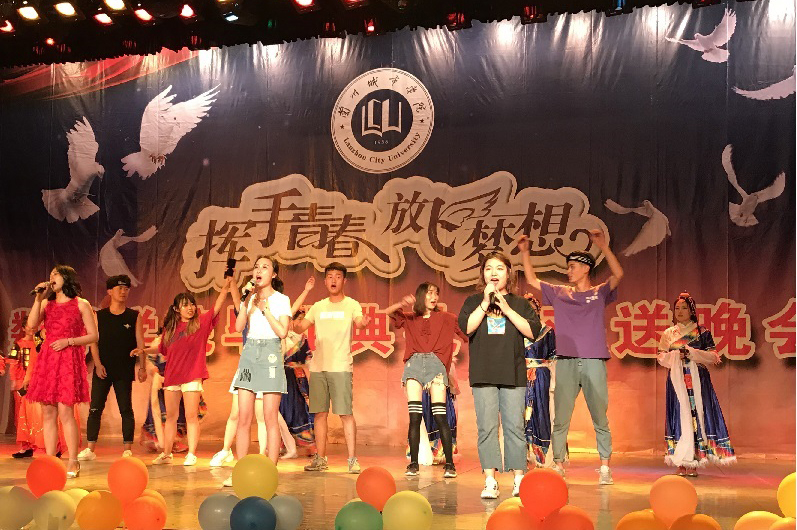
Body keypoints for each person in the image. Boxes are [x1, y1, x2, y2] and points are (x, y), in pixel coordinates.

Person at [518, 231, 623, 485]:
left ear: (586, 268)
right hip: (565, 361)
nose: (568, 271)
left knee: (600, 417)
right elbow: (531, 279)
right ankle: (558, 464)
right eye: (568, 267)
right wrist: (525, 252)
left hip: (594, 360)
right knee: (561, 417)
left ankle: (605, 467)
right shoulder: (560, 293)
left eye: (573, 267)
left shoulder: (599, 293)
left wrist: (604, 247)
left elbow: (618, 274)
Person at [458, 252, 540, 499]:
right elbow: (467, 327)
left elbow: (532, 331)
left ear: (509, 273)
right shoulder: (474, 301)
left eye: (499, 268)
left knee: (515, 427)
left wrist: (506, 307)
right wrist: (486, 303)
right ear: (483, 274)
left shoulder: (520, 303)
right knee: (487, 428)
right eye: (488, 268)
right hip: (483, 373)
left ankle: (519, 479)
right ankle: (490, 480)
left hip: (512, 373)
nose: (493, 273)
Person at [132, 278, 232, 466]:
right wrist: (143, 350)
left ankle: (192, 454)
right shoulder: (170, 329)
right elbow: (161, 348)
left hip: (192, 375)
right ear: (177, 309)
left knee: (191, 416)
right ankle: (167, 453)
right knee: (170, 417)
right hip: (172, 377)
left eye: (192, 304)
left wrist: (225, 288)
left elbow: (216, 308)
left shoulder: (201, 323)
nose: (190, 308)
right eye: (185, 305)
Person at [385, 282, 467, 479]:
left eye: (436, 293)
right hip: (413, 366)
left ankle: (450, 464)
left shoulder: (448, 318)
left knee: (440, 416)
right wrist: (402, 303)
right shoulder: (411, 318)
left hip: (436, 367)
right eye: (429, 293)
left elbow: (467, 333)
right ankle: (413, 463)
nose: (434, 297)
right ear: (421, 295)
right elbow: (387, 312)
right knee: (415, 416)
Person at [294, 262, 370, 474]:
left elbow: (359, 322)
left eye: (337, 276)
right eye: (329, 276)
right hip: (318, 367)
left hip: (341, 366)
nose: (333, 280)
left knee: (345, 413)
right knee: (319, 414)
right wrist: (293, 320)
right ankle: (320, 459)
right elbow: (300, 328)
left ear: (344, 281)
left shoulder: (351, 304)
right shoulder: (318, 306)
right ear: (325, 281)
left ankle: (352, 460)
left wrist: (363, 322)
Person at [25, 265, 99, 478]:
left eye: (55, 274)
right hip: (48, 359)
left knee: (66, 412)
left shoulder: (81, 304)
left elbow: (93, 336)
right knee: (48, 412)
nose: (51, 278)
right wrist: (38, 298)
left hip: (68, 358)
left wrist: (69, 341)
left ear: (66, 278)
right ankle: (51, 461)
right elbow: (31, 326)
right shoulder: (46, 303)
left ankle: (73, 461)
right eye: (50, 275)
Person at [657, 292, 736, 476]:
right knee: (679, 415)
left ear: (692, 311)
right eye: (677, 308)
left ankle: (695, 459)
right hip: (677, 379)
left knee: (697, 415)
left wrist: (691, 353)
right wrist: (675, 356)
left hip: (698, 379)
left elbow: (713, 356)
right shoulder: (668, 334)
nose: (680, 311)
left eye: (684, 308)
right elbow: (660, 357)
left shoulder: (702, 332)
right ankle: (681, 461)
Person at [229, 256, 291, 470]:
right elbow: (239, 327)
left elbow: (283, 332)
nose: (259, 270)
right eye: (256, 267)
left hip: (270, 354)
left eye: (265, 267)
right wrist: (245, 301)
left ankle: (271, 470)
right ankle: (240, 469)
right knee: (244, 417)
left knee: (269, 417)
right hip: (249, 354)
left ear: (273, 274)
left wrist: (265, 309)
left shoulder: (282, 300)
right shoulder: (249, 298)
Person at [79, 275, 146, 461]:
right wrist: (98, 364)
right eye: (119, 288)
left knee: (126, 408)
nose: (123, 292)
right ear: (110, 291)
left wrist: (142, 367)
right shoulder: (99, 316)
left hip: (124, 369)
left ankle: (127, 449)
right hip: (103, 369)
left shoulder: (134, 316)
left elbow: (140, 343)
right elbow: (93, 342)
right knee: (95, 408)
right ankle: (90, 449)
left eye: (126, 289)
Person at [523, 294, 557, 467]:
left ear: (538, 311)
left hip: (541, 376)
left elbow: (553, 357)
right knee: (520, 413)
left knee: (541, 412)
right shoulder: (516, 331)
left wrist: (554, 381)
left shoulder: (547, 331)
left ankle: (541, 455)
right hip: (520, 375)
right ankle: (522, 454)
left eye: (533, 309)